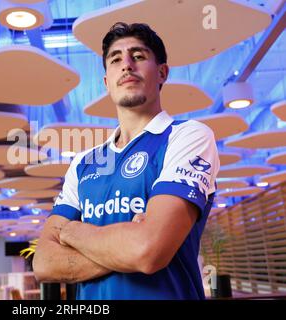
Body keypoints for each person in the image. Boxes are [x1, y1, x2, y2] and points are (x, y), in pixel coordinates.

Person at [33, 22, 220, 300]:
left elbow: (148, 251)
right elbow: (44, 263)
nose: (127, 65)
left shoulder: (187, 136)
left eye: (139, 56)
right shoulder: (84, 163)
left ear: (162, 73)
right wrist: (129, 245)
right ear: (107, 81)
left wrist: (72, 232)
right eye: (116, 59)